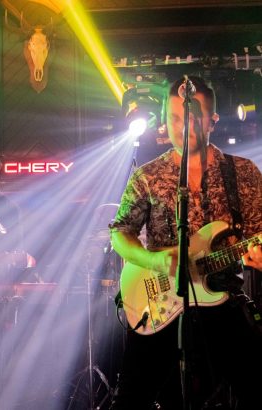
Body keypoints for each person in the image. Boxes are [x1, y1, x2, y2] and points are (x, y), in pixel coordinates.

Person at [109, 76, 262, 410]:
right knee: (130, 400)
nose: (182, 127)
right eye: (175, 118)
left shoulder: (244, 173)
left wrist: (257, 257)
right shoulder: (148, 175)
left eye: (192, 118)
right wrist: (155, 261)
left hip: (222, 299)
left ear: (212, 120)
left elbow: (257, 234)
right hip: (161, 303)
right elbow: (119, 233)